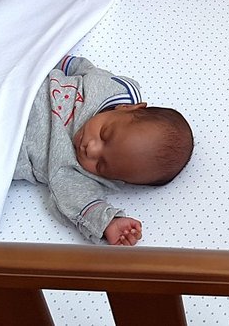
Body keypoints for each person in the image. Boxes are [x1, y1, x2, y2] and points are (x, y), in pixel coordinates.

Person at [14, 56, 194, 244]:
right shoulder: (111, 90)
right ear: (126, 108)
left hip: (4, 140)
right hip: (21, 85)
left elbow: (81, 202)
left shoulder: (79, 175)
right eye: (105, 134)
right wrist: (43, 57)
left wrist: (108, 223)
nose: (90, 149)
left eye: (100, 165)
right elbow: (77, 66)